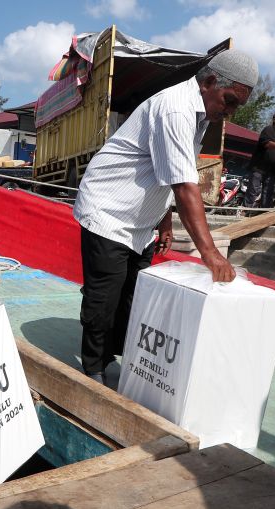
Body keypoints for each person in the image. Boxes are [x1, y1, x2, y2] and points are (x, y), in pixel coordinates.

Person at [72, 49, 258, 383]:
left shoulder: (200, 114)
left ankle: (116, 359)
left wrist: (164, 218)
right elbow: (186, 186)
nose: (229, 112)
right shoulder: (176, 109)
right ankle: (93, 370)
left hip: (140, 220)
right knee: (105, 296)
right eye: (228, 101)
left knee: (133, 297)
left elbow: (166, 169)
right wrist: (210, 253)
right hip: (108, 209)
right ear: (211, 82)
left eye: (235, 107)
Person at [243, 110, 275, 209]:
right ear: (274, 119)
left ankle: (264, 212)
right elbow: (267, 144)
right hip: (259, 167)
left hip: (272, 170)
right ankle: (245, 211)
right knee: (253, 190)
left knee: (268, 192)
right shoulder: (268, 129)